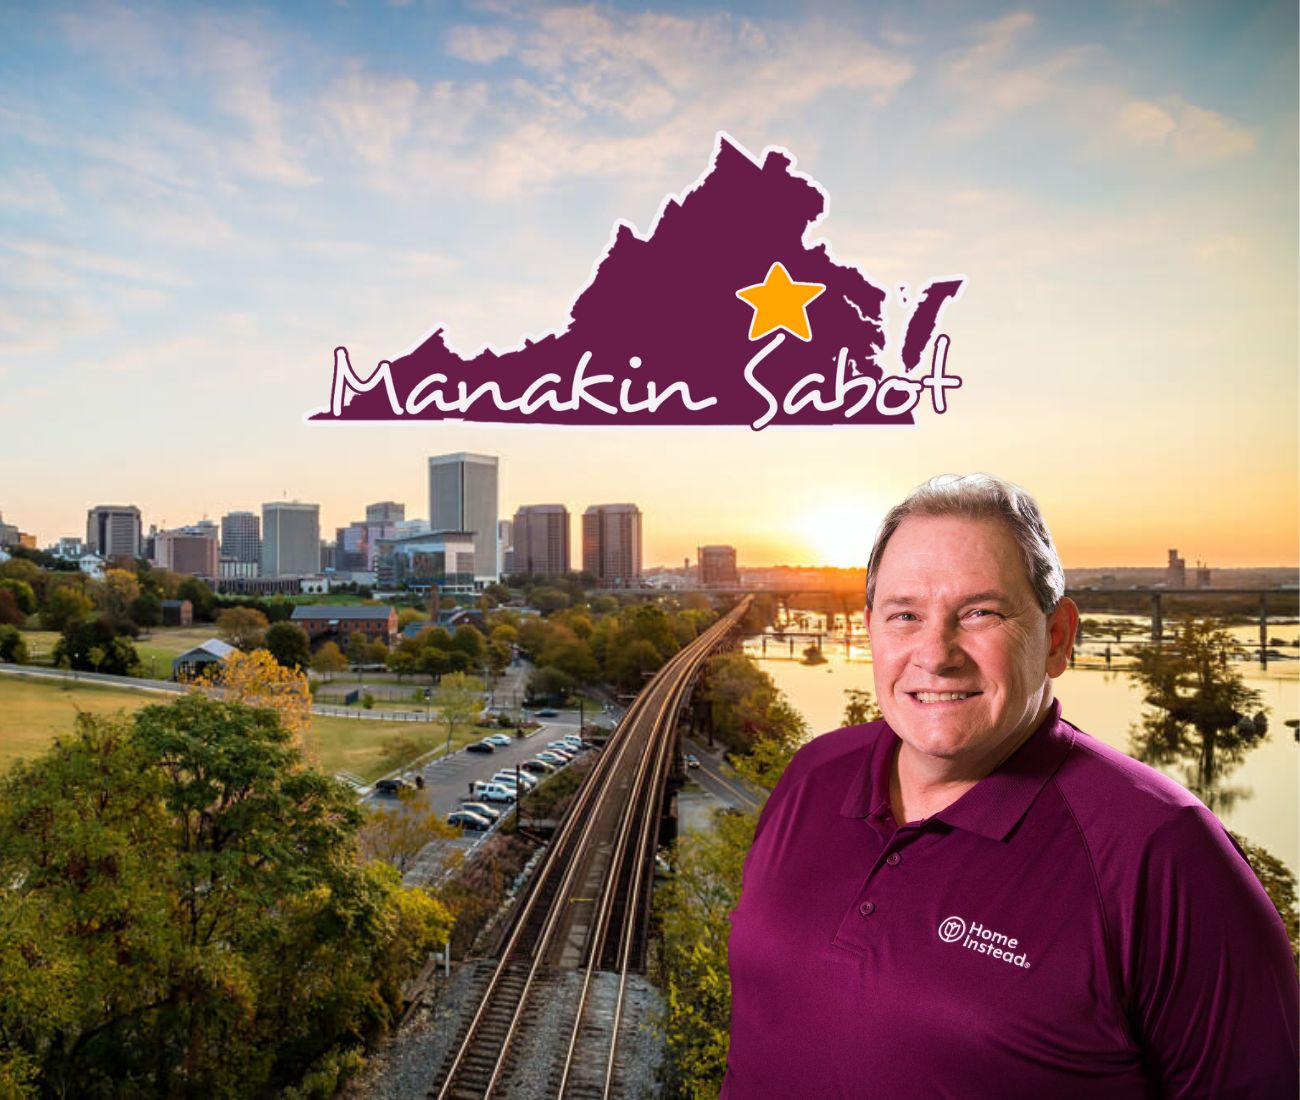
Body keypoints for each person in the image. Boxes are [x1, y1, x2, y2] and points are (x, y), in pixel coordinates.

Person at [724, 473, 1297, 1098]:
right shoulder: (812, 775)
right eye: (905, 615)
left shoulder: (1163, 853)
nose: (936, 653)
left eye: (980, 614)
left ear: (1057, 639)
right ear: (871, 631)